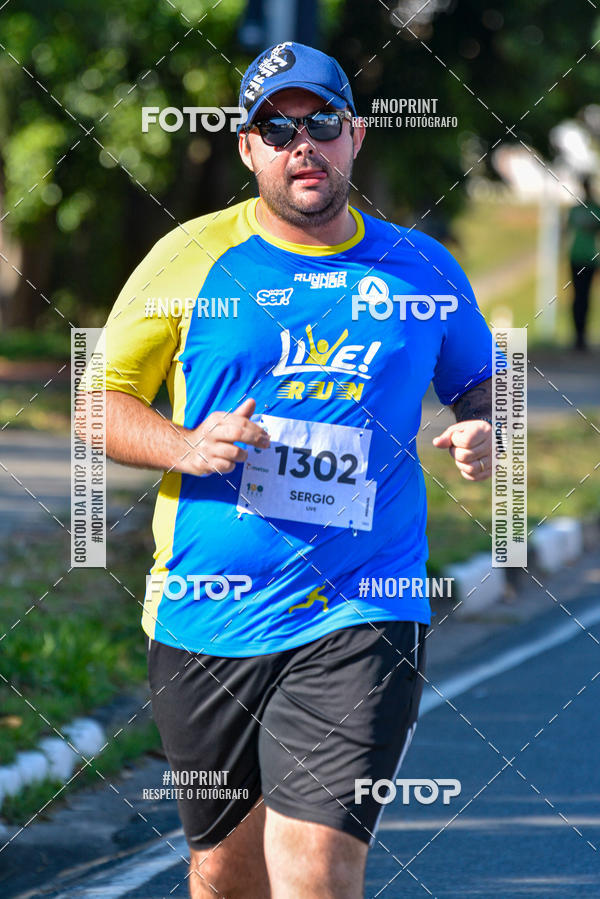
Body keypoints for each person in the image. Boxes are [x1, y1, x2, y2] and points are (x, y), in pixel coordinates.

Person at [102, 41, 493, 899]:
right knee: (227, 876)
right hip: (209, 611)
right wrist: (185, 445)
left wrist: (482, 433)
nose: (300, 143)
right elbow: (101, 404)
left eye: (320, 122)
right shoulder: (186, 260)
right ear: (248, 150)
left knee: (316, 869)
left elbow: (482, 384)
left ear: (354, 135)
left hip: (366, 603)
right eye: (275, 129)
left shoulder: (421, 269)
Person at [566, 175, 600, 350]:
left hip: (590, 258)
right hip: (575, 257)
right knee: (577, 297)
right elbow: (567, 230)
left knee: (586, 297)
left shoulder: (596, 209)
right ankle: (577, 335)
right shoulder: (575, 210)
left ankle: (583, 334)